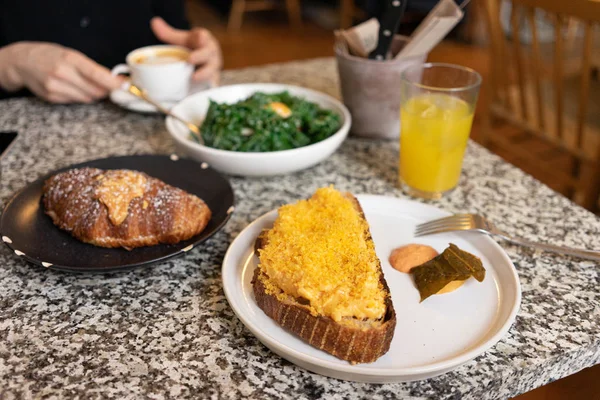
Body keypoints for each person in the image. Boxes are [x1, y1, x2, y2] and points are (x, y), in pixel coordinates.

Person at [0, 1, 222, 103]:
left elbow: (174, 30)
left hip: (147, 122)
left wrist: (196, 54)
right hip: (27, 116)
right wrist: (10, 64)